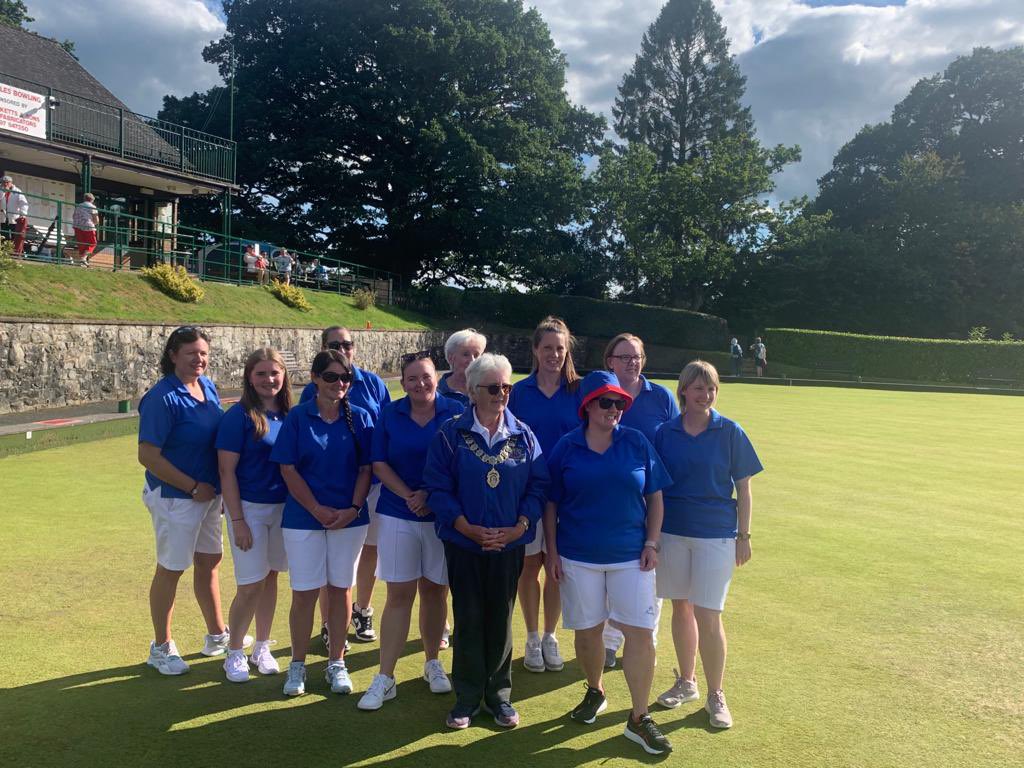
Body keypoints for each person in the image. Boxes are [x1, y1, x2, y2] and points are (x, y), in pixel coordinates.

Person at [544, 370, 673, 755]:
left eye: (619, 402)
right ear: (587, 406)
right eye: (605, 401)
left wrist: (652, 542)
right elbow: (550, 503)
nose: (614, 409)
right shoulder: (566, 447)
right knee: (586, 632)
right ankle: (595, 690)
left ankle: (638, 717)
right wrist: (551, 551)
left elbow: (656, 497)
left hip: (631, 556)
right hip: (577, 556)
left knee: (638, 633)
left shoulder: (636, 442)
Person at [423, 353, 548, 730]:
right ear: (474, 391)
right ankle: (466, 697)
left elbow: (538, 485)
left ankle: (499, 696)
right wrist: (465, 526)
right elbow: (437, 486)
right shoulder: (450, 433)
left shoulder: (524, 434)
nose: (501, 394)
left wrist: (519, 526)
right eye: (493, 388)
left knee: (500, 619)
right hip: (464, 543)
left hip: (508, 544)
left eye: (507, 387)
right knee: (469, 616)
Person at [654, 360, 763, 729]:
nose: (705, 395)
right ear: (684, 390)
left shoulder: (730, 431)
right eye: (698, 388)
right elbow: (653, 490)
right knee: (680, 608)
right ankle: (687, 682)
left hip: (716, 534)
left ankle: (716, 693)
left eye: (711, 388)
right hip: (672, 532)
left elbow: (744, 489)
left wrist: (743, 536)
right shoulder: (664, 432)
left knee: (709, 614)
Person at [138, 326, 249, 675]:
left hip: (206, 496)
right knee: (171, 569)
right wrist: (190, 486)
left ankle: (217, 635)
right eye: (191, 353)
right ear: (173, 355)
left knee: (209, 562)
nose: (199, 359)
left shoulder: (207, 386)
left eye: (203, 353)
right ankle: (160, 647)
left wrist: (209, 489)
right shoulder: (161, 397)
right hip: (175, 496)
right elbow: (148, 455)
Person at [358, 352, 464, 711]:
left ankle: (432, 662)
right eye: (412, 379)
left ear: (438, 376)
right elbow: (379, 463)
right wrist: (411, 496)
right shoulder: (391, 413)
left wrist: (432, 497)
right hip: (398, 513)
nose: (421, 384)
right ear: (402, 384)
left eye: (426, 376)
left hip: (441, 517)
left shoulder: (456, 411)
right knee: (399, 595)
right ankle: (385, 676)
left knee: (436, 592)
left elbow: (461, 462)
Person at [270, 350, 373, 696]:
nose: (339, 384)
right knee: (304, 593)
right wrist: (315, 509)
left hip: (349, 520)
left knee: (341, 590)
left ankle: (336, 663)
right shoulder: (298, 418)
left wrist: (354, 509)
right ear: (315, 378)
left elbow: (365, 470)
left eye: (345, 379)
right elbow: (288, 469)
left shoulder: (359, 417)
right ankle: (297, 665)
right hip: (303, 519)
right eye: (331, 377)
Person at [301, 326, 391, 646]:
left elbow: (385, 430)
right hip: (335, 490)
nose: (343, 348)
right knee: (335, 559)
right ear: (324, 348)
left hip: (374, 484)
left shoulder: (374, 384)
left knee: (370, 551)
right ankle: (330, 623)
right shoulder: (310, 391)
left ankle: (362, 610)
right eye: (334, 344)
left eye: (347, 344)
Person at [600, 333, 680, 669]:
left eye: (637, 356)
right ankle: (608, 643)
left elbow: (677, 441)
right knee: (609, 573)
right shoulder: (602, 396)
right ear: (610, 361)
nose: (632, 362)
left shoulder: (661, 396)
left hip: (653, 497)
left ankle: (648, 640)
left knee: (648, 573)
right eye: (624, 357)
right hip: (610, 500)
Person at [507, 316, 581, 674]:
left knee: (557, 569)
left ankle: (551, 634)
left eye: (560, 348)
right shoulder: (518, 392)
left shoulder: (580, 390)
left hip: (571, 496)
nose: (554, 354)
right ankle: (533, 635)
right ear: (536, 350)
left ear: (567, 352)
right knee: (530, 567)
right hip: (530, 494)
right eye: (547, 347)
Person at [216, 348, 293, 683]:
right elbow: (226, 472)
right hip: (249, 509)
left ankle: (262, 646)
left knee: (272, 577)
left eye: (274, 373)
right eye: (261, 374)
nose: (268, 380)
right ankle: (235, 651)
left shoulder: (292, 413)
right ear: (250, 377)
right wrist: (237, 521)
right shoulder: (239, 417)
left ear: (283, 375)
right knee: (249, 584)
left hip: (284, 510)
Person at [437, 328, 487, 406]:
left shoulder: (488, 390)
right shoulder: (436, 391)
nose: (472, 360)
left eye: (476, 355)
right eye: (466, 354)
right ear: (451, 358)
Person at [1, 175, 29, 258]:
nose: (5, 184)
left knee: (14, 236)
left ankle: (13, 254)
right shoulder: (1, 190)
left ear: (11, 183)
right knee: (3, 235)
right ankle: (3, 253)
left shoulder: (17, 191)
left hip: (13, 217)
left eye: (7, 182)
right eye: (3, 182)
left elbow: (23, 203)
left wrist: (23, 214)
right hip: (2, 217)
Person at [72, 193, 100, 267]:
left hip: (77, 225)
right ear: (92, 200)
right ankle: (83, 259)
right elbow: (96, 220)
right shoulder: (92, 207)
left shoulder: (78, 206)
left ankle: (81, 262)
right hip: (88, 226)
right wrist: (93, 223)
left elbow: (73, 216)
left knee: (82, 244)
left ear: (84, 199)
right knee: (92, 243)